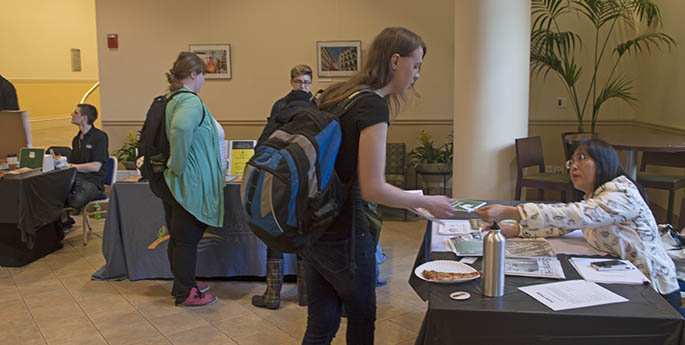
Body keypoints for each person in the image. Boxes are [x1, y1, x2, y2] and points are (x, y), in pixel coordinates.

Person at [300, 27, 455, 344]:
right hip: (347, 233)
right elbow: (373, 189)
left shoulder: (336, 94)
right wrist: (427, 202)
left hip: (315, 226)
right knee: (361, 323)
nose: (417, 75)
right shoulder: (372, 106)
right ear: (395, 61)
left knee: (319, 326)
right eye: (416, 65)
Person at [474, 138, 681, 310]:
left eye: (581, 158)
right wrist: (517, 229)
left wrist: (511, 212)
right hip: (623, 280)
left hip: (654, 292)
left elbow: (576, 215)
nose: (573, 166)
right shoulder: (596, 196)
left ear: (603, 161)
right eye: (571, 161)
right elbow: (565, 224)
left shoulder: (622, 193)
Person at [162, 52, 226, 307]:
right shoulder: (189, 101)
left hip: (182, 183)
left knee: (180, 238)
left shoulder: (174, 98)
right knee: (187, 239)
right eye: (202, 75)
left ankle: (183, 283)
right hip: (189, 183)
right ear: (193, 74)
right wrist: (177, 165)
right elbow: (180, 129)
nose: (203, 81)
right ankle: (186, 292)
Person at [253, 64, 314, 310]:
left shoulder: (281, 106)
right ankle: (302, 295)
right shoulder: (315, 106)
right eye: (299, 81)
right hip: (303, 180)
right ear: (291, 81)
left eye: (306, 82)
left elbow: (264, 143)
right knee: (297, 235)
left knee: (277, 234)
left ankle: (278, 295)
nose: (302, 86)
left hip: (280, 180)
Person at [66, 104, 109, 211]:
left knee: (76, 200)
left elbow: (96, 167)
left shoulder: (100, 137)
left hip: (92, 182)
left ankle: (68, 209)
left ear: (84, 118)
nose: (72, 115)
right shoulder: (76, 140)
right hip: (76, 179)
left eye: (75, 113)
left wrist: (71, 166)